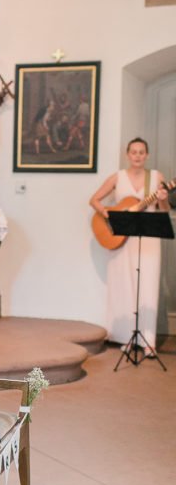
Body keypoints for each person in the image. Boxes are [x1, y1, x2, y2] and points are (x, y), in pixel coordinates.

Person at [89, 137, 169, 356]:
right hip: (122, 239)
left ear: (147, 155)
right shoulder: (117, 177)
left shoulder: (156, 177)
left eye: (141, 152)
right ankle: (126, 337)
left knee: (148, 286)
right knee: (125, 285)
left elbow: (164, 209)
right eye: (133, 152)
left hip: (149, 239)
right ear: (127, 154)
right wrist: (110, 215)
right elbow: (94, 200)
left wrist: (162, 198)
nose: (137, 156)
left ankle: (148, 340)